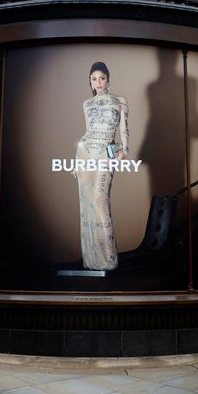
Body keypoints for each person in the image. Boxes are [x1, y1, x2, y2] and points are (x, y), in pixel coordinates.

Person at [73, 61, 129, 271]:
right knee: (87, 205)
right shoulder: (87, 104)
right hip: (85, 152)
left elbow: (123, 131)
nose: (98, 82)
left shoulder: (119, 101)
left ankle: (109, 259)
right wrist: (77, 162)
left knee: (99, 200)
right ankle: (92, 261)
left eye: (102, 78)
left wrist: (124, 150)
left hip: (107, 152)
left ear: (108, 79)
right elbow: (87, 132)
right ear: (90, 81)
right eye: (94, 79)